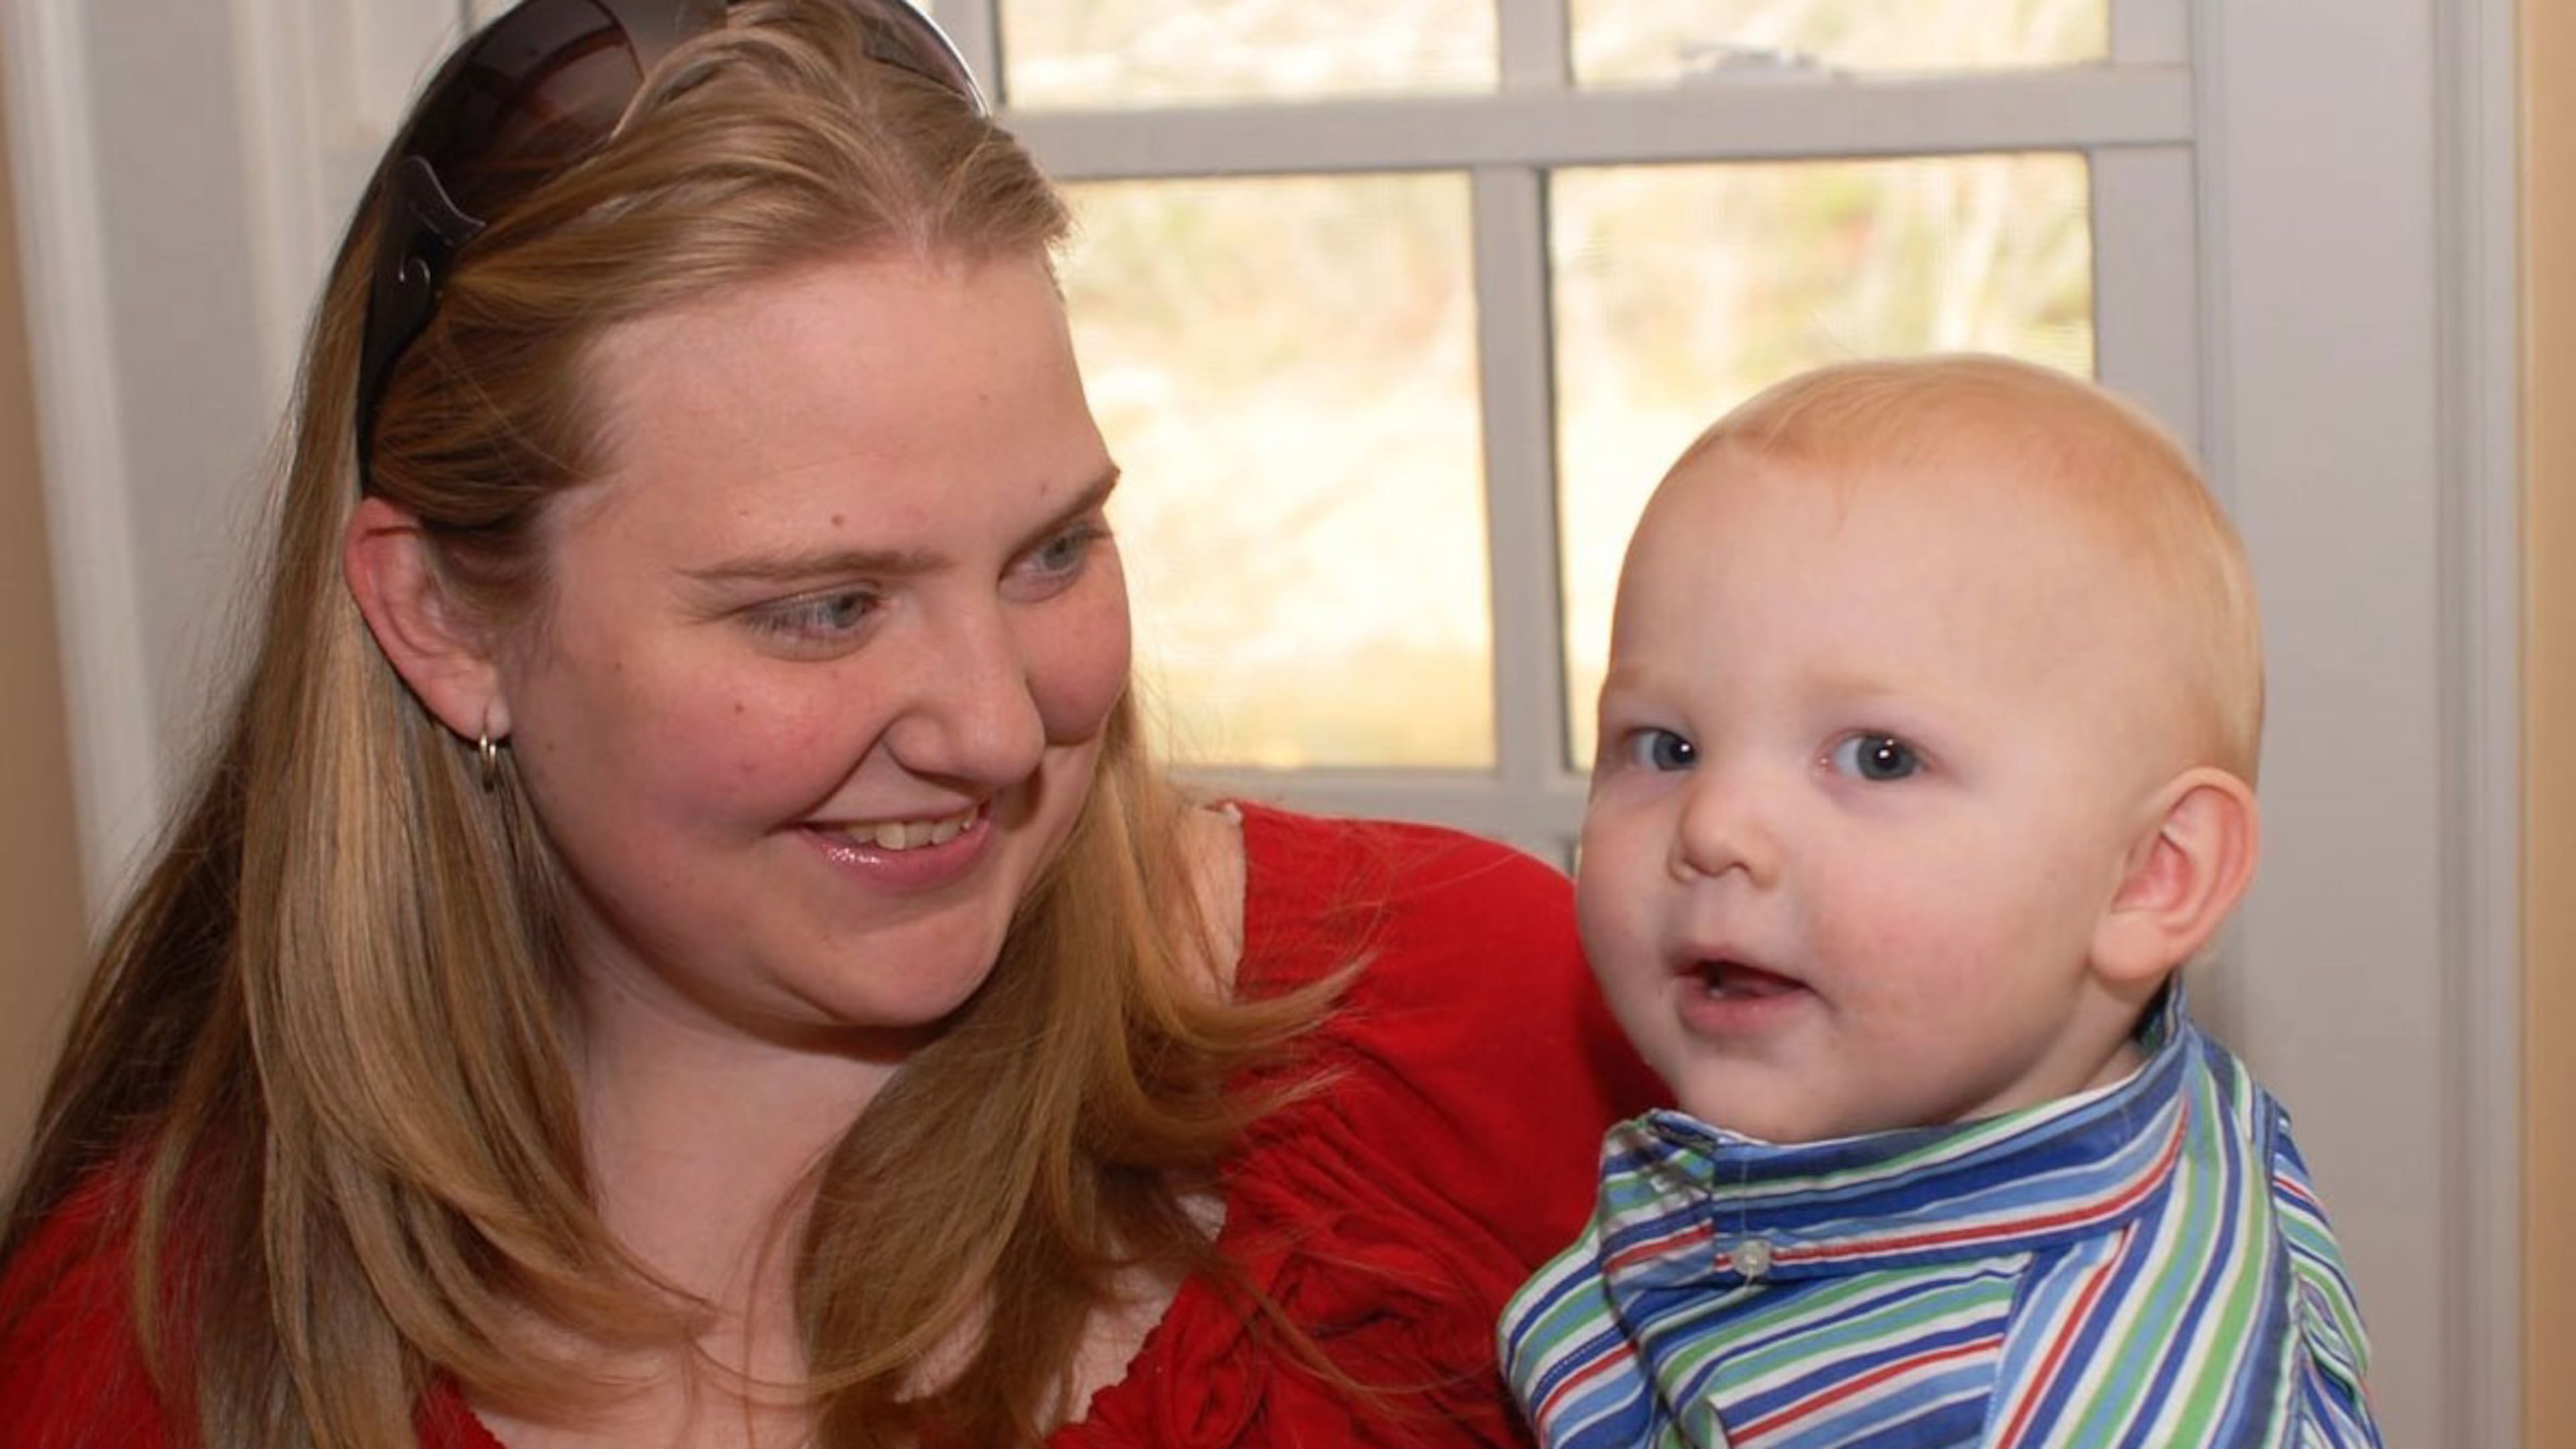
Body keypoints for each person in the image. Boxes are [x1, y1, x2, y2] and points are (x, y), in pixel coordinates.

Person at [0, 3, 1662, 1446]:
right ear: (444, 621)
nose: (1001, 732)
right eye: (825, 607)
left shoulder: (1504, 1037)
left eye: (1053, 550)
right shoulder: (148, 1351)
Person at [1497, 356, 2383, 1448]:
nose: (1714, 825)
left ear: (2152, 875)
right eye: (1666, 745)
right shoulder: (2090, 1084)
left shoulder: (2031, 1404)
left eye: (1879, 758)